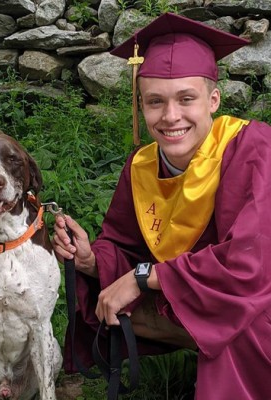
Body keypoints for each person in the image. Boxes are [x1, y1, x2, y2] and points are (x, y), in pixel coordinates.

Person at [51, 12, 271, 399]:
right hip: (197, 296)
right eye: (155, 102)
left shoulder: (252, 148)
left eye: (187, 99)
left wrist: (141, 277)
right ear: (141, 105)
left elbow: (249, 265)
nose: (171, 117)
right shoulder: (142, 166)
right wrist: (90, 259)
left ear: (213, 100)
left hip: (256, 300)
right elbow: (123, 244)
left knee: (242, 316)